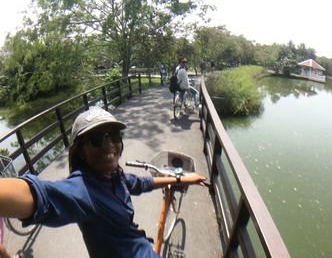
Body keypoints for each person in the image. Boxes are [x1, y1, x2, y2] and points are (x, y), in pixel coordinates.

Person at [0, 106, 207, 258]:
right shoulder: (82, 191)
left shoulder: (115, 176)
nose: (109, 145)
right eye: (97, 139)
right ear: (80, 151)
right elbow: (39, 195)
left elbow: (141, 183)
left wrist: (180, 178)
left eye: (114, 135)